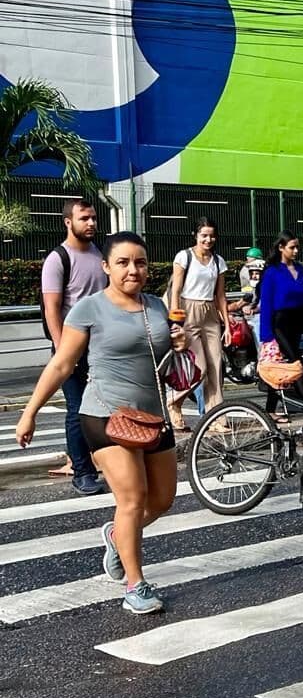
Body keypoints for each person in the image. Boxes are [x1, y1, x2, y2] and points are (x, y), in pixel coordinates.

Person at [16, 232, 188, 614]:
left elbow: (168, 355)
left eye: (140, 262)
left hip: (151, 414)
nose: (133, 270)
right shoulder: (88, 310)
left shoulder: (156, 306)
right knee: (132, 498)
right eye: (124, 263)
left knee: (162, 500)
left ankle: (116, 535)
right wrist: (29, 413)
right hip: (104, 415)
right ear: (106, 267)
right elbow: (62, 364)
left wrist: (179, 341)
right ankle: (135, 584)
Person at [40, 199, 109, 495]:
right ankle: (82, 471)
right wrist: (62, 349)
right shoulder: (58, 259)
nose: (91, 223)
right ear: (68, 222)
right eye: (84, 218)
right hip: (70, 347)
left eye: (93, 218)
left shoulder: (100, 255)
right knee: (77, 409)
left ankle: (105, 460)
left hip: (102, 346)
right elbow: (52, 308)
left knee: (105, 407)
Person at [167, 218, 230, 432]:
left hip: (210, 313)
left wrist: (228, 325)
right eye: (204, 235)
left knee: (216, 367)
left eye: (211, 235)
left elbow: (220, 295)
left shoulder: (218, 261)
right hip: (188, 311)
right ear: (196, 235)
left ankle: (216, 418)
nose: (208, 239)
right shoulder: (184, 257)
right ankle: (174, 401)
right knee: (198, 367)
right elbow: (176, 290)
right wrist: (176, 322)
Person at [259, 230, 303, 418]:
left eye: (297, 247)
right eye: (292, 247)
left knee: (281, 366)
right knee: (296, 362)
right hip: (279, 322)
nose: (296, 250)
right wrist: (266, 336)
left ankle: (270, 409)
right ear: (281, 248)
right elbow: (266, 303)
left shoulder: (301, 270)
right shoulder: (272, 272)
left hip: (296, 322)